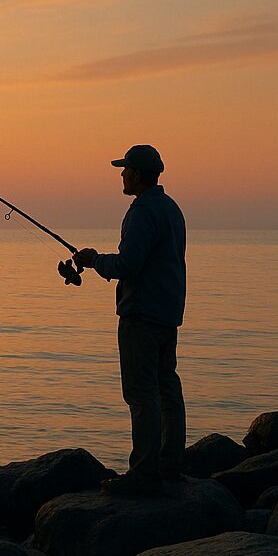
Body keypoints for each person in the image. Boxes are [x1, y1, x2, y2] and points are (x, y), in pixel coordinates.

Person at [71, 144, 187, 496]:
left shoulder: (141, 211)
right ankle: (170, 465)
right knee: (167, 389)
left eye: (125, 170)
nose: (121, 174)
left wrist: (94, 261)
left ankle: (144, 474)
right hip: (168, 313)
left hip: (142, 315)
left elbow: (128, 264)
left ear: (137, 174)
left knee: (141, 395)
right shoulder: (171, 209)